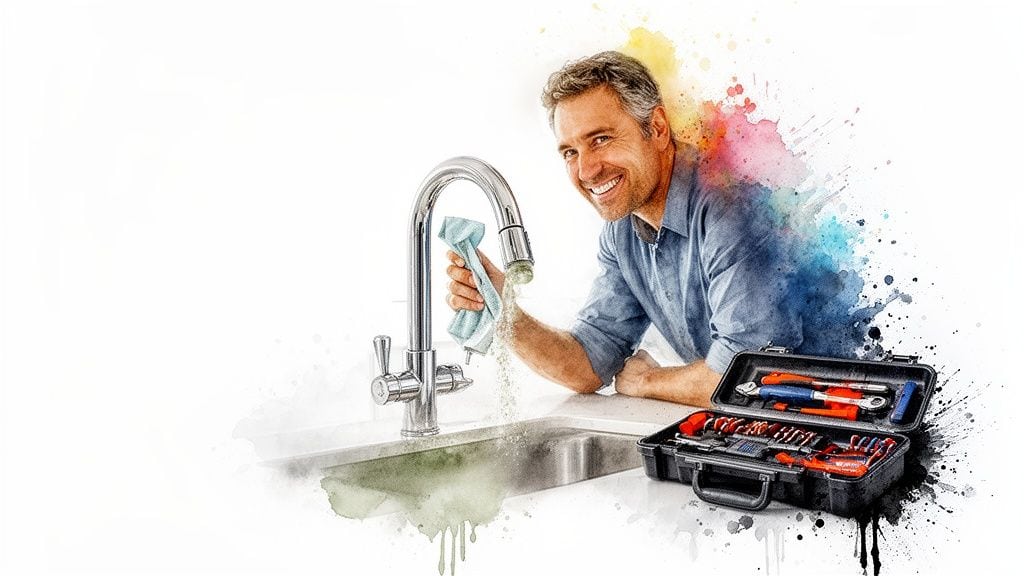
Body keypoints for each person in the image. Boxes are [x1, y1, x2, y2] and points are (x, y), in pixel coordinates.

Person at [445, 51, 802, 407]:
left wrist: (649, 380)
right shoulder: (624, 230)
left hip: (842, 433)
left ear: (658, 128)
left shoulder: (731, 205)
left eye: (600, 139)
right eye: (570, 152)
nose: (586, 171)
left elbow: (752, 377)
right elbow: (590, 362)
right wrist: (504, 310)